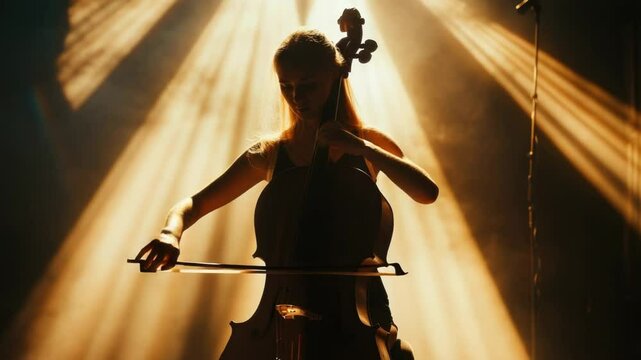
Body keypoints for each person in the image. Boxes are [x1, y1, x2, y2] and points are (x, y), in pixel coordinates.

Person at [136, 29, 438, 359]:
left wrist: (361, 146)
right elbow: (194, 203)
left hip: (358, 315)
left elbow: (426, 192)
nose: (296, 97)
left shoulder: (365, 143)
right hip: (282, 312)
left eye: (308, 85)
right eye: (286, 86)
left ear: (335, 78)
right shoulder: (272, 153)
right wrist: (170, 234)